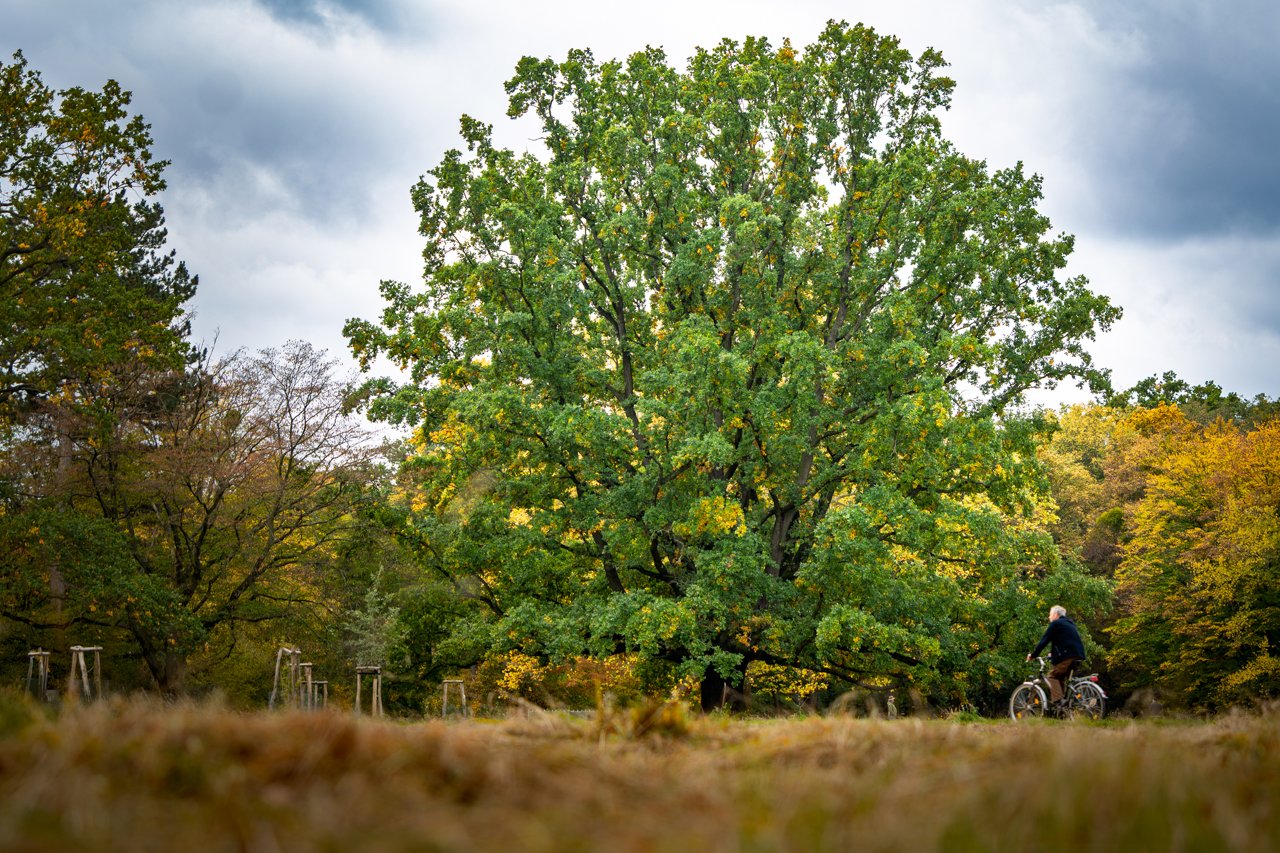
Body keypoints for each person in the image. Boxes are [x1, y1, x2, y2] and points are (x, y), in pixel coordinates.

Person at [1027, 605, 1085, 712]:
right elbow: (1064, 641)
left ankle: (1059, 700)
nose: (1049, 617)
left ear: (1055, 615)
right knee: (1060, 679)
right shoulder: (1070, 624)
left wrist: (1033, 655)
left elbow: (1044, 641)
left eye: (1050, 615)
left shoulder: (1056, 623)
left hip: (1067, 655)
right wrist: (1053, 654)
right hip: (1078, 654)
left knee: (1052, 677)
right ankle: (1062, 711)